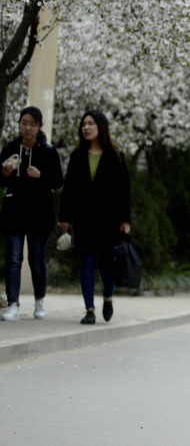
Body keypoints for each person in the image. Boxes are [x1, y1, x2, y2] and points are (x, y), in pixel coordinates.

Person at [58, 111, 131, 325]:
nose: (86, 127)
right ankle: (89, 309)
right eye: (83, 124)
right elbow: (69, 189)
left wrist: (125, 220)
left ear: (101, 127)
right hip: (84, 219)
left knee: (107, 264)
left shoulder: (116, 155)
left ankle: (108, 298)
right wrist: (65, 218)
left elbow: (124, 190)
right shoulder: (77, 156)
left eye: (90, 123)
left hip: (109, 220)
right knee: (87, 262)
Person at [0, 107, 64, 321]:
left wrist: (41, 175)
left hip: (40, 214)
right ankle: (13, 305)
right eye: (24, 122)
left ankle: (39, 301)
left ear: (39, 127)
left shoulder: (48, 151)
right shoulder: (10, 148)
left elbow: (57, 181)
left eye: (32, 124)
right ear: (19, 124)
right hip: (14, 212)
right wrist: (3, 174)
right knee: (13, 259)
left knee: (36, 260)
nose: (27, 127)